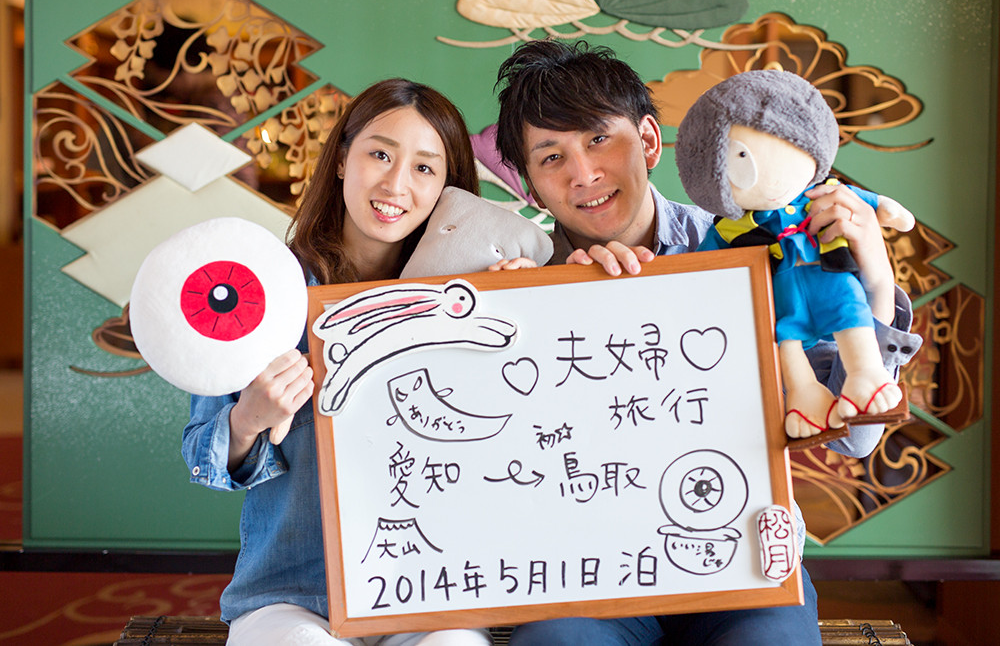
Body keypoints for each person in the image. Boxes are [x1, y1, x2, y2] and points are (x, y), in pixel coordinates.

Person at [493, 40, 921, 645]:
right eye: (551, 156)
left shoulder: (755, 247)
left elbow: (857, 437)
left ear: (648, 140)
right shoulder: (521, 285)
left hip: (743, 563)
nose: (583, 173)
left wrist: (873, 276)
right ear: (531, 186)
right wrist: (532, 321)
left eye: (599, 139)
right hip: (592, 574)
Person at [182, 78, 493, 646]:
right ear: (343, 159)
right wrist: (247, 420)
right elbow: (201, 456)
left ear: (448, 190)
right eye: (380, 154)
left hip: (430, 591)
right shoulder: (263, 291)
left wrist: (521, 307)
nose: (395, 184)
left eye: (425, 168)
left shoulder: (467, 306)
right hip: (293, 592)